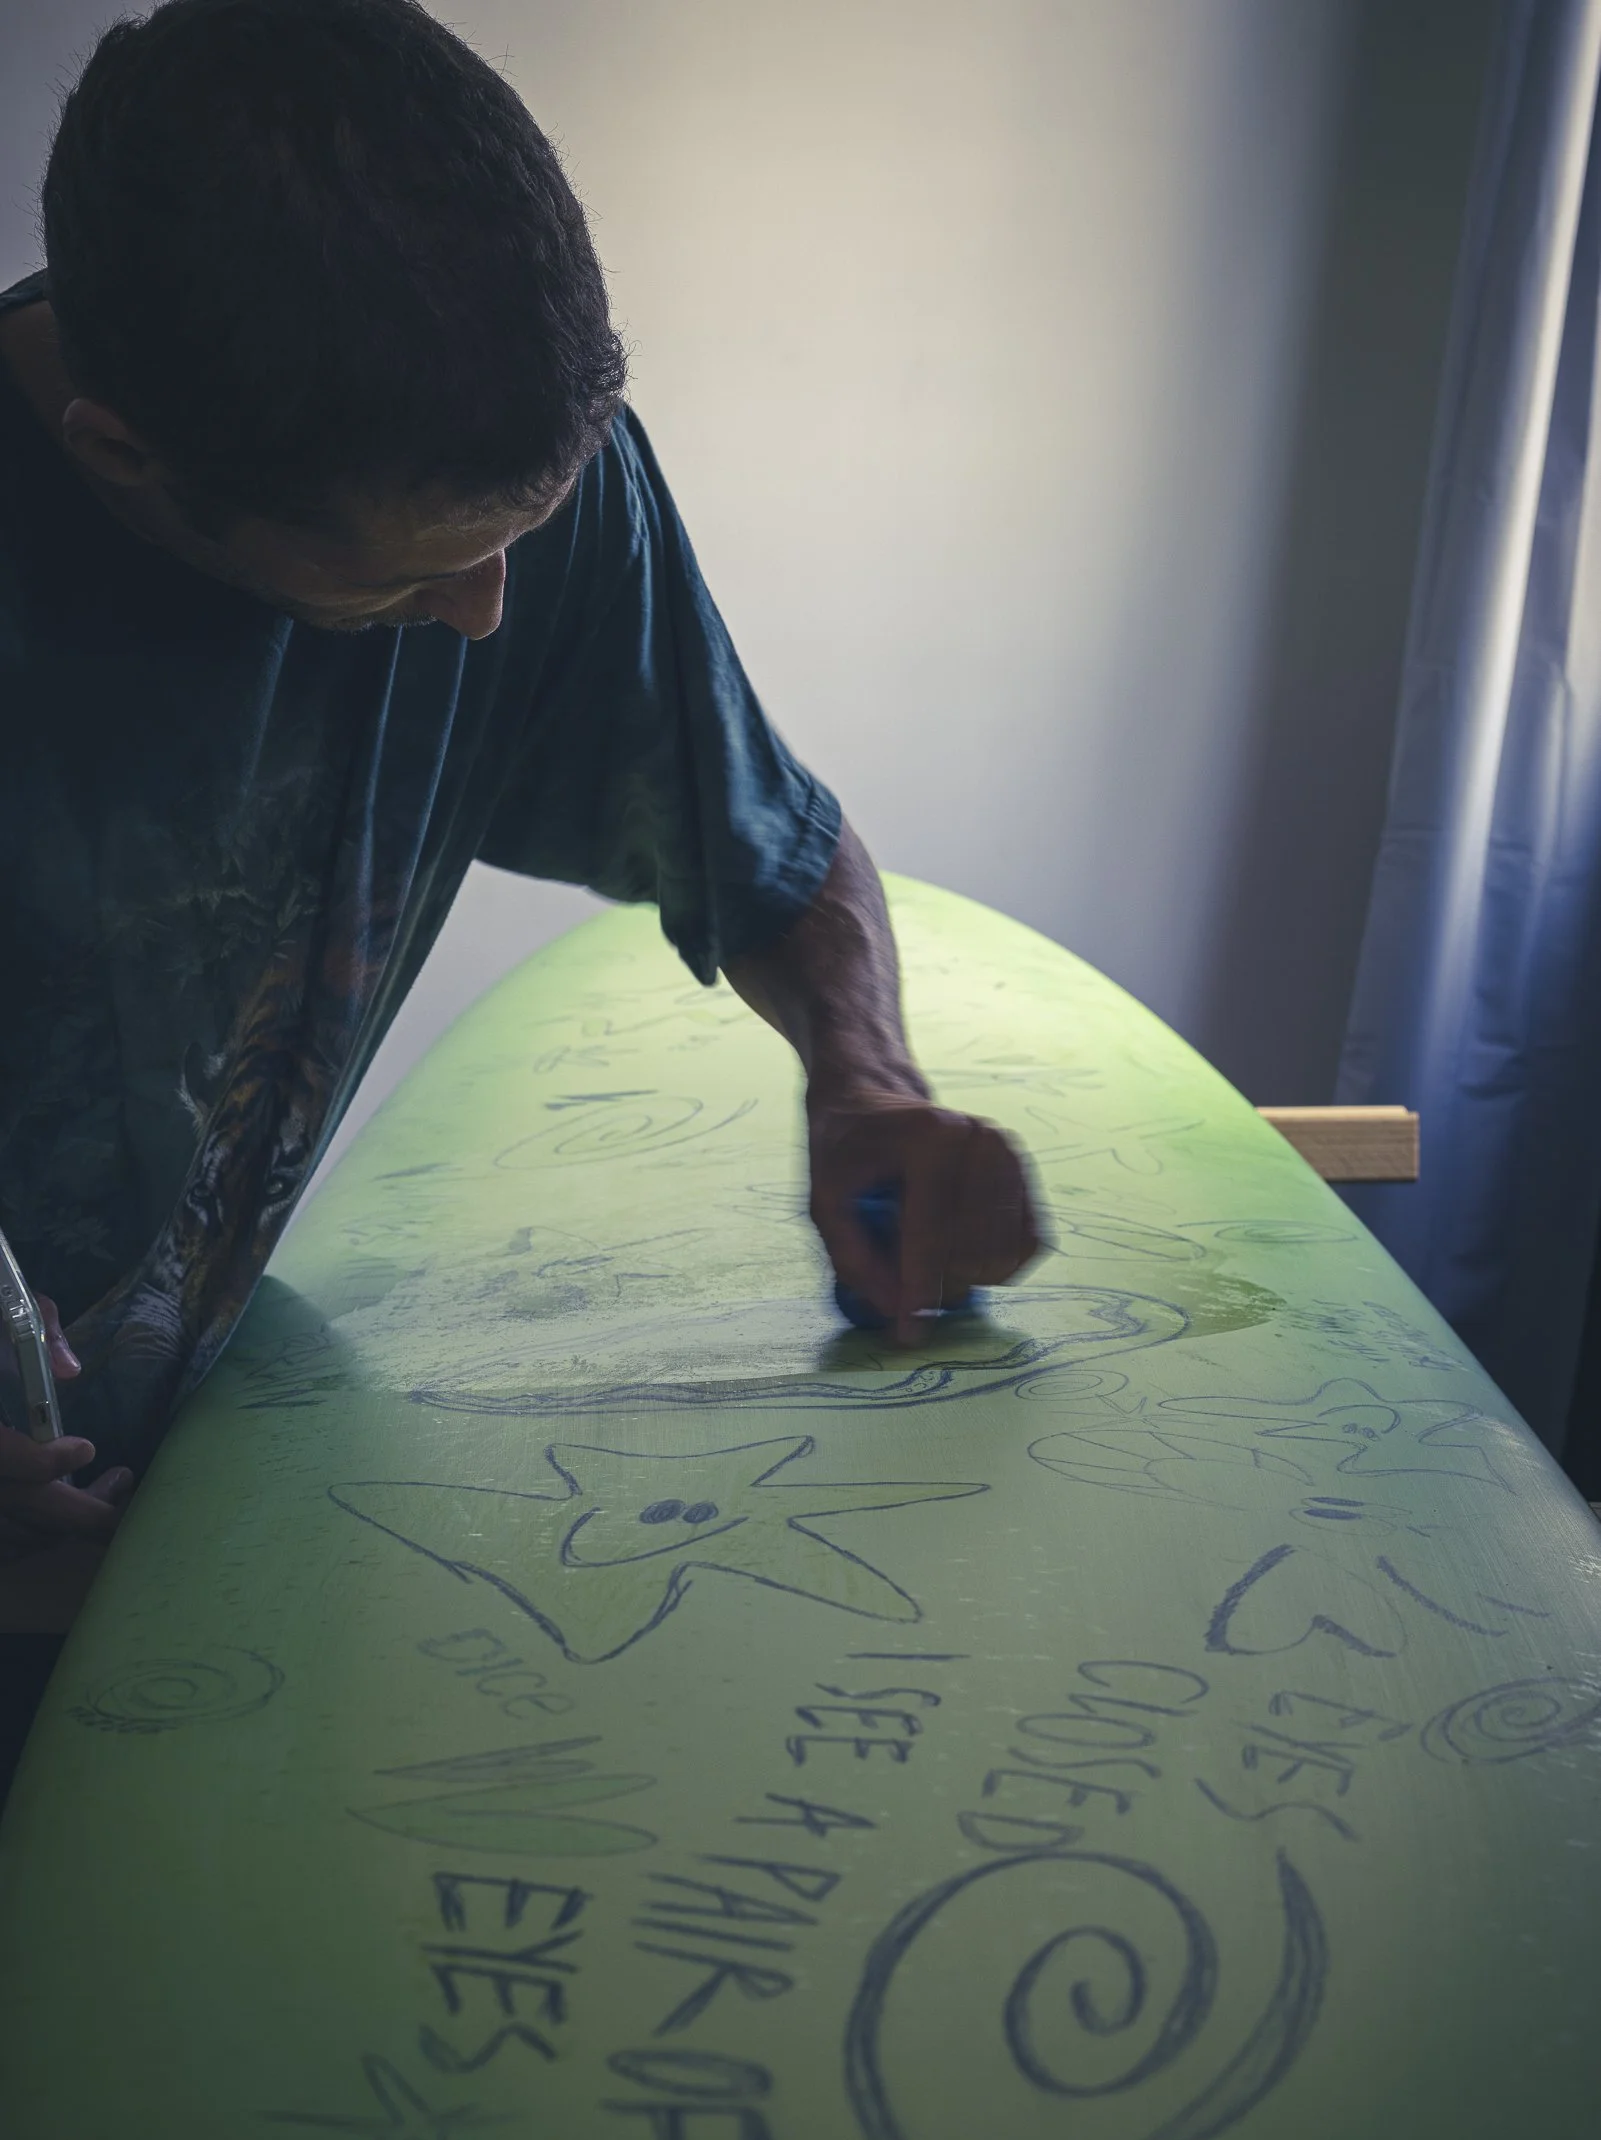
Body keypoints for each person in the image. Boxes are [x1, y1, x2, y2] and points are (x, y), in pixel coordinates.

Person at [0, 0, 1038, 1584]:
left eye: (517, 542)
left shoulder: (518, 493)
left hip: (183, 1507)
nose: (490, 614)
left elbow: (771, 846)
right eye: (412, 578)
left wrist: (865, 1076)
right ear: (128, 461)